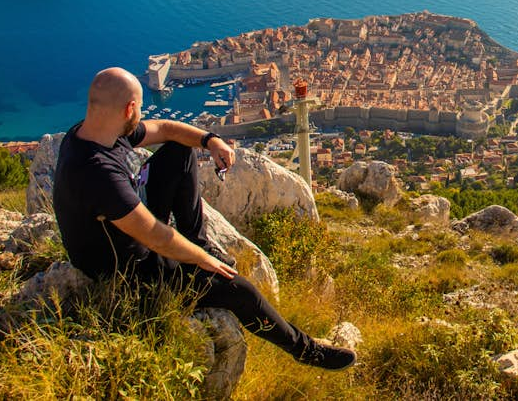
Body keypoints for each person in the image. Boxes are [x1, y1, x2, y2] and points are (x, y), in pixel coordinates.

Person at [52, 67, 355, 371]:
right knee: (240, 289)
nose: (142, 114)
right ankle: (306, 351)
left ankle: (199, 241)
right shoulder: (97, 174)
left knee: (180, 151)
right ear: (129, 108)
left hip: (127, 226)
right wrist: (201, 261)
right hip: (129, 266)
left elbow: (168, 129)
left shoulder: (95, 132)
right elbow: (156, 237)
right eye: (140, 106)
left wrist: (211, 141)